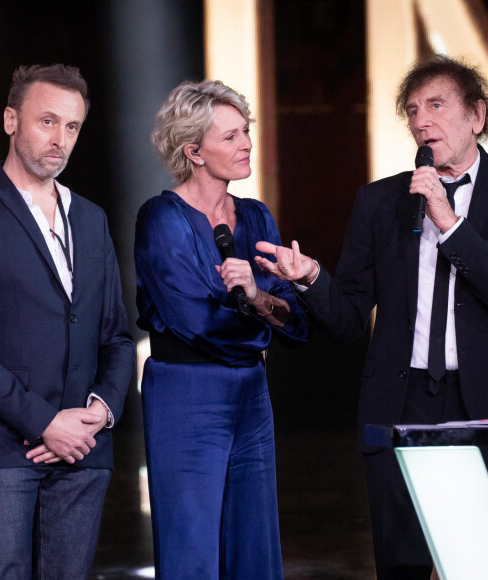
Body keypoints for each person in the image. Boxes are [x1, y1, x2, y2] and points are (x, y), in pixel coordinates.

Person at [255, 54, 488, 579]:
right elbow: (348, 318)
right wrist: (309, 279)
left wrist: (449, 221)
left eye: (436, 106)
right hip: (400, 399)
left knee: (482, 565)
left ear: (477, 116)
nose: (421, 121)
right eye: (413, 110)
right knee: (401, 564)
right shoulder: (380, 201)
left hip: (485, 402)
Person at [0, 64, 135, 579]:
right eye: (47, 121)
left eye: (72, 127)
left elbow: (115, 334)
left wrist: (99, 412)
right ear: (10, 120)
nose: (60, 139)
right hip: (4, 450)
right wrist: (45, 423)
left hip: (85, 450)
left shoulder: (91, 219)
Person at [134, 79, 310, 579]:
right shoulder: (161, 218)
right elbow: (196, 322)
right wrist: (265, 316)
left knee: (255, 548)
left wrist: (256, 297)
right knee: (192, 550)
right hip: (186, 392)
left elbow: (297, 324)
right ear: (194, 150)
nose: (247, 143)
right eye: (230, 136)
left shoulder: (256, 217)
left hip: (252, 392)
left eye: (246, 131)